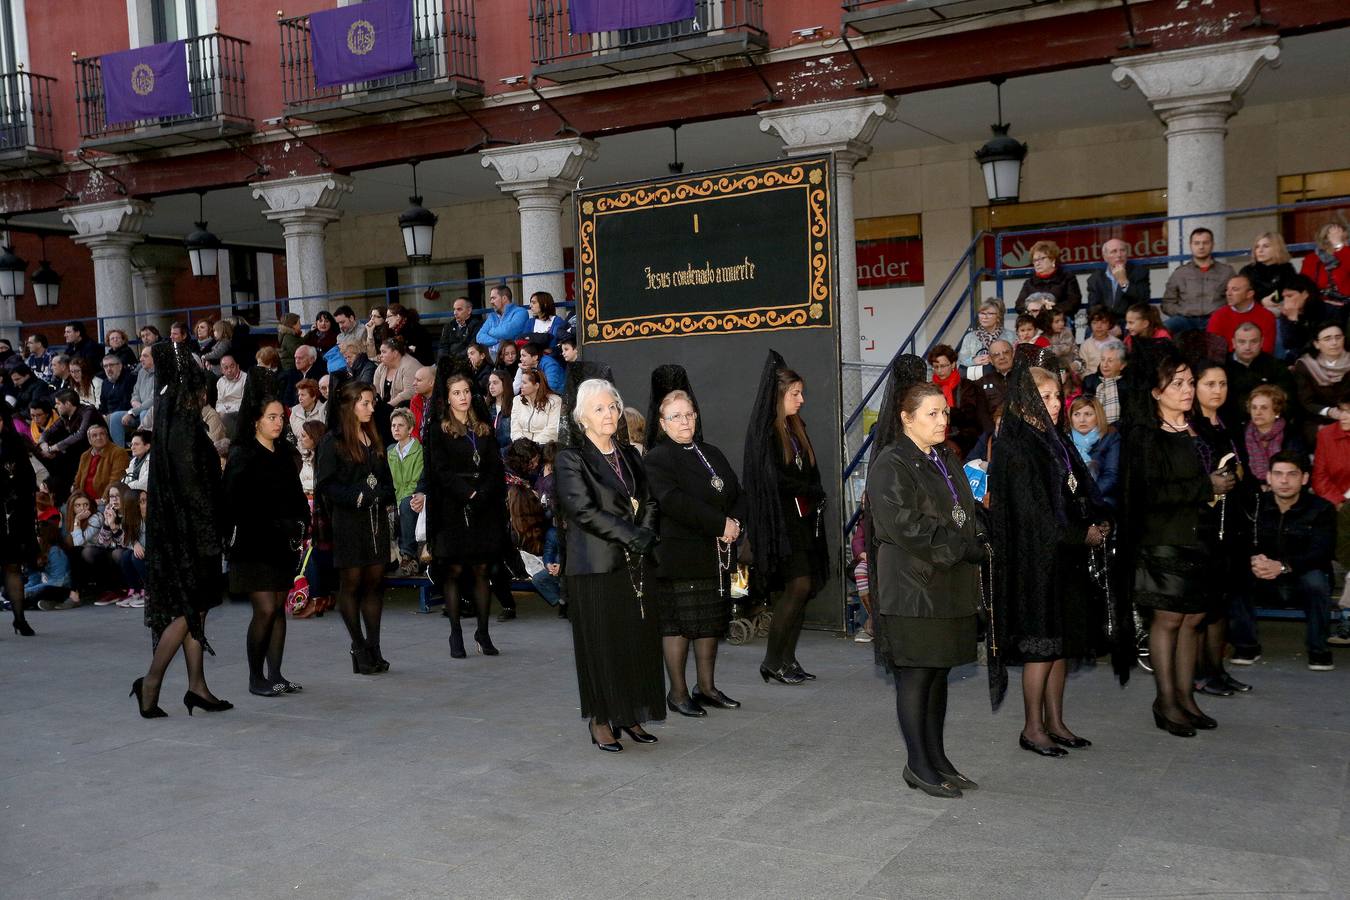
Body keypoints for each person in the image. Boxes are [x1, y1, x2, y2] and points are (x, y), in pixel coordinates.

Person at [866, 363, 984, 797]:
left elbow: (960, 510)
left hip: (947, 585)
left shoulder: (945, 456)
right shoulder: (891, 463)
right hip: (913, 588)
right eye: (932, 414)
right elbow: (905, 525)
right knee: (917, 677)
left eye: (945, 413)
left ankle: (937, 758)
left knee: (938, 675)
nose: (942, 421)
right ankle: (918, 764)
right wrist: (961, 546)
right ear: (906, 417)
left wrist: (979, 532)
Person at [989, 360, 1116, 756]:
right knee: (1041, 648)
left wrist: (1097, 518)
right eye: (1046, 396)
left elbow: (1078, 491)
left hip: (1064, 556)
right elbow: (1032, 513)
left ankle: (1056, 722)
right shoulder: (1017, 444)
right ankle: (1032, 728)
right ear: (1026, 400)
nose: (1056, 403)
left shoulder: (1053, 439)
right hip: (1035, 560)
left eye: (1058, 395)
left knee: (1060, 645)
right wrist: (1082, 534)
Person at [1119, 345, 1233, 738]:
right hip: (1162, 539)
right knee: (1168, 619)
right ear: (1156, 391)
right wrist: (1206, 485)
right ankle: (1166, 700)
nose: (1188, 390)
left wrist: (1222, 481)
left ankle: (1185, 698)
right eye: (1177, 383)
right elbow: (1148, 493)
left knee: (1193, 619)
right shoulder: (1143, 434)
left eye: (1189, 382)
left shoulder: (1196, 428)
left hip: (1198, 535)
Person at [556, 377, 663, 752]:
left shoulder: (631, 455)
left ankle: (629, 712)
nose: (609, 414)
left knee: (635, 638)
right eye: (599, 408)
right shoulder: (571, 458)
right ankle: (601, 719)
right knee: (602, 643)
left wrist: (645, 534)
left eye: (613, 407)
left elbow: (649, 500)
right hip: (596, 566)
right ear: (582, 416)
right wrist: (633, 536)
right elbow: (583, 511)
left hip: (635, 564)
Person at [133, 340, 233, 719]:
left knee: (198, 610)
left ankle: (197, 687)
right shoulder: (183, 429)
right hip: (194, 534)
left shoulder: (172, 422)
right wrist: (214, 529)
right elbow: (195, 490)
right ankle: (151, 681)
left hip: (184, 533)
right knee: (188, 610)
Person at [645, 369, 745, 718]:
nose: (683, 421)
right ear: (662, 422)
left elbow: (735, 491)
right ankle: (678, 692)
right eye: (675, 416)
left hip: (713, 555)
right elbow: (674, 502)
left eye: (688, 414)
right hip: (679, 554)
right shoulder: (658, 457)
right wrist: (720, 523)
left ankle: (707, 688)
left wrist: (734, 522)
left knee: (708, 624)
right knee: (679, 627)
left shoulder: (711, 451)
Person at [743, 351, 830, 685]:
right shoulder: (766, 433)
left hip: (804, 521)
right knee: (798, 586)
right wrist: (807, 486)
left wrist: (812, 488)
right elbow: (770, 479)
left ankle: (787, 659)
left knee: (802, 591)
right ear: (778, 396)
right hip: (782, 524)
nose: (801, 399)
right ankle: (771, 661)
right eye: (795, 393)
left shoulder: (795, 427)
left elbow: (807, 471)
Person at [223, 369, 309, 697]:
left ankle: (276, 674)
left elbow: (298, 498)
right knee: (266, 609)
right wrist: (272, 522)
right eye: (271, 417)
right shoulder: (243, 455)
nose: (278, 422)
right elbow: (234, 503)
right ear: (256, 420)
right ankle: (255, 677)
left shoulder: (286, 455)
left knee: (278, 607)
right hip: (252, 545)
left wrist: (301, 524)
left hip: (281, 544)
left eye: (281, 416)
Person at [419, 366, 507, 658]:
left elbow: (495, 466)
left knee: (483, 570)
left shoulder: (482, 426)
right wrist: (466, 493)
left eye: (466, 392)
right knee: (454, 571)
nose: (463, 397)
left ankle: (483, 632)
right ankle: (456, 633)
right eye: (457, 393)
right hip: (452, 507)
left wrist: (482, 493)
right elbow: (440, 471)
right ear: (447, 397)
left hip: (484, 505)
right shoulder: (437, 429)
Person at [314, 379, 396, 675]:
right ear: (349, 406)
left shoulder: (373, 437)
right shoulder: (332, 441)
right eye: (365, 403)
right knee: (352, 584)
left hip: (375, 522)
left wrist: (383, 494)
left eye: (372, 402)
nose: (371, 408)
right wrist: (356, 497)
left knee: (375, 583)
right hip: (349, 521)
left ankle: (374, 647)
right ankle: (359, 645)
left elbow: (386, 478)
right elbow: (326, 484)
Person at [1188, 360, 1252, 698]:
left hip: (1233, 523)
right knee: (1205, 605)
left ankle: (1217, 670)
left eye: (1223, 384)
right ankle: (1201, 673)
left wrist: (1238, 475)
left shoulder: (1229, 423)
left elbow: (1244, 469)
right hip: (1205, 525)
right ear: (1195, 387)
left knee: (1222, 603)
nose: (1218, 390)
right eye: (1210, 384)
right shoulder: (1192, 426)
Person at [1240, 452, 1336, 672]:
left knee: (1316, 581)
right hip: (1263, 576)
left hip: (1302, 575)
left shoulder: (1321, 509)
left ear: (1304, 478)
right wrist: (1254, 559)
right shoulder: (1254, 505)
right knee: (1238, 576)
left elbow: (1321, 552)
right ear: (1269, 477)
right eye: (1278, 474)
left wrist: (1282, 566)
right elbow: (1240, 540)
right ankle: (1246, 646)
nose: (1284, 481)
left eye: (1292, 475)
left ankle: (1318, 651)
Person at [1311, 397, 1350, 642]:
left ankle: (1347, 615)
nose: (1343, 416)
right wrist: (1340, 502)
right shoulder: (1327, 435)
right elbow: (1320, 477)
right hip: (1337, 507)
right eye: (1342, 411)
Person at [1, 400, 38, 636]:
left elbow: (29, 479)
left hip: (12, 514)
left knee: (13, 565)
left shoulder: (15, 444)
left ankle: (19, 618)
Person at [1162, 227, 1235, 334]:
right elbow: (1167, 303)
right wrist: (1182, 312)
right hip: (1186, 319)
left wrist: (1223, 313)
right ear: (1191, 245)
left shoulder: (1226, 272)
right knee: (1163, 329)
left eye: (1205, 243)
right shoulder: (1180, 273)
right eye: (1197, 243)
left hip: (1215, 318)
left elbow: (1236, 298)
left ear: (1212, 244)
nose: (1201, 247)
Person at [1222, 322, 1296, 425]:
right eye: (1242, 342)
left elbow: (1287, 401)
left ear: (1262, 342)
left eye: (1254, 341)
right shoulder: (1221, 367)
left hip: (1270, 426)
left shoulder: (1276, 366)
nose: (1248, 347)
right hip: (1232, 426)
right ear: (1233, 342)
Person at [38, 390, 104, 503]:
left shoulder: (88, 412)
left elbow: (80, 435)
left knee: (63, 458)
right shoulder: (65, 416)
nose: (55, 406)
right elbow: (47, 432)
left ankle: (59, 495)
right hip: (78, 454)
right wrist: (44, 444)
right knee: (53, 453)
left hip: (97, 453)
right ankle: (52, 489)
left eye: (58, 403)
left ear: (68, 404)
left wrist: (53, 448)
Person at [1293, 321, 1350, 445]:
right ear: (1317, 344)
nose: (1334, 343)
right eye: (1327, 339)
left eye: (1338, 337)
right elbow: (1306, 402)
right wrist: (1330, 412)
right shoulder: (1305, 365)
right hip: (1318, 418)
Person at [387, 409, 424, 576]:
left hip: (414, 496)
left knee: (406, 505)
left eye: (400, 425)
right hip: (395, 497)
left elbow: (415, 482)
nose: (396, 429)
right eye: (393, 425)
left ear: (410, 429)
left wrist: (400, 501)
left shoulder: (420, 451)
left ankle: (408, 555)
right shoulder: (390, 452)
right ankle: (388, 558)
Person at [1068, 396, 1121, 506]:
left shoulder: (1110, 437)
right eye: (1077, 414)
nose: (1082, 419)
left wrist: (1088, 497)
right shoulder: (1064, 439)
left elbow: (1111, 475)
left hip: (1101, 498)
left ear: (1098, 416)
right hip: (1071, 499)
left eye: (1088, 414)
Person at [928, 344, 980, 457]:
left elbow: (968, 416)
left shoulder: (966, 386)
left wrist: (945, 411)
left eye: (943, 366)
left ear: (953, 364)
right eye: (935, 367)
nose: (939, 370)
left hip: (961, 435)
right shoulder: (929, 388)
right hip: (933, 434)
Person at [1244, 385, 1302, 482]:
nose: (1257, 412)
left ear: (1277, 411)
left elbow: (1296, 469)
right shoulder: (1242, 434)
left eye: (1264, 408)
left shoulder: (1291, 434)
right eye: (1254, 408)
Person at [1207, 274, 1278, 354]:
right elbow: (1214, 350)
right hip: (1227, 363)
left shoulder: (1266, 316)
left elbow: (1266, 350)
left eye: (1235, 289)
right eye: (1227, 289)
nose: (1228, 293)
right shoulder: (1218, 316)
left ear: (1249, 294)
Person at [1015, 241, 1082, 319]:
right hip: (1036, 324)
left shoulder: (1067, 278)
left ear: (1052, 260)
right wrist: (1032, 307)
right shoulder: (1029, 283)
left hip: (1060, 322)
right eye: (1035, 260)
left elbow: (1073, 303)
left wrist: (1051, 308)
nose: (1037, 263)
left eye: (1042, 258)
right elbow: (1019, 305)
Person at [1087, 237, 1151, 318]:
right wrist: (1109, 324)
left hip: (1129, 321)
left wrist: (1124, 282)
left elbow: (1143, 301)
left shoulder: (1140, 272)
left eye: (1122, 250)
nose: (1119, 255)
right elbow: (1093, 308)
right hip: (1105, 323)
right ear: (1105, 257)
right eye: (1114, 251)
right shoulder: (1095, 279)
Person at [1273, 274, 1328, 362]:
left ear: (1305, 294)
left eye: (1290, 296)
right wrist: (1292, 320)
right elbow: (1289, 345)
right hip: (1298, 361)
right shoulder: (1288, 313)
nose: (1286, 301)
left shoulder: (1324, 310)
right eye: (1284, 297)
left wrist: (1296, 322)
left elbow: (1314, 344)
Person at [1240, 232, 1298, 311]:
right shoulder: (1247, 271)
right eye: (1257, 247)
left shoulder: (1287, 269)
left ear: (1277, 248)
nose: (1260, 250)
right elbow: (1240, 297)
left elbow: (1292, 293)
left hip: (1282, 311)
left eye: (1266, 246)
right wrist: (1261, 301)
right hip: (1254, 312)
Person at [73, 422, 129, 503]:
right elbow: (77, 481)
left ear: (107, 436)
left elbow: (115, 481)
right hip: (85, 501)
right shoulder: (85, 456)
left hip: (104, 501)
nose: (98, 437)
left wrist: (103, 500)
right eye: (94, 435)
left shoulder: (118, 453)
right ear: (89, 440)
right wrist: (75, 498)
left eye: (102, 434)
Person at [27, 518, 73, 612]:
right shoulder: (34, 551)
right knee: (7, 590)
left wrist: (27, 591)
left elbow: (57, 582)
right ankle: (39, 603)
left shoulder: (55, 551)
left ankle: (29, 602)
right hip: (44, 585)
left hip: (60, 587)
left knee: (40, 592)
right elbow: (34, 579)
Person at [1301, 222, 1350, 301]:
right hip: (1320, 305)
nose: (1345, 243)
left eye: (1344, 239)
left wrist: (1339, 246)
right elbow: (1304, 286)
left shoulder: (1346, 254)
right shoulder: (1312, 259)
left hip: (1345, 306)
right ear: (1326, 240)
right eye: (1342, 239)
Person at [974, 339, 1015, 434]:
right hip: (995, 432)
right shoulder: (981, 383)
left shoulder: (1026, 377)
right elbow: (982, 415)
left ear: (1013, 355)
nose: (1002, 357)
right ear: (991, 360)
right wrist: (993, 434)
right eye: (996, 355)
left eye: (1006, 353)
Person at [478, 284, 531, 357]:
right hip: (495, 358)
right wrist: (498, 341)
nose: (491, 302)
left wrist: (489, 332)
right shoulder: (492, 316)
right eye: (491, 299)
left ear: (504, 298)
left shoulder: (521, 312)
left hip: (514, 358)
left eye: (493, 298)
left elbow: (507, 332)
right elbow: (479, 337)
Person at [512, 370, 561, 445]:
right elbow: (515, 427)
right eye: (521, 382)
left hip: (544, 445)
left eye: (524, 383)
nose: (521, 386)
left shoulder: (554, 401)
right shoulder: (517, 400)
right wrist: (521, 444)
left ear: (536, 386)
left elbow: (553, 430)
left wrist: (533, 445)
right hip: (522, 446)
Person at [1082, 339, 1126, 425]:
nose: (1104, 365)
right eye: (1102, 359)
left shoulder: (1127, 386)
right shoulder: (1089, 381)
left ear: (1122, 365)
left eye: (1110, 361)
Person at [98, 354, 136, 443]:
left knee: (112, 418)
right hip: (109, 415)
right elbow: (103, 404)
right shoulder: (105, 383)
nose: (108, 369)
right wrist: (101, 414)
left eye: (111, 365)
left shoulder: (130, 379)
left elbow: (127, 403)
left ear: (120, 366)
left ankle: (118, 453)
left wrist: (109, 415)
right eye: (105, 366)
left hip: (128, 415)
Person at [372, 337, 420, 408]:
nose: (381, 355)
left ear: (395, 353)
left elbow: (409, 393)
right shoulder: (381, 367)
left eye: (384, 352)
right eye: (381, 352)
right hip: (385, 408)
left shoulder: (410, 365)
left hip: (405, 410)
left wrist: (386, 407)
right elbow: (376, 390)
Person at [437, 296, 481, 361]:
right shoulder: (449, 326)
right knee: (424, 371)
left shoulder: (477, 325)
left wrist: (454, 360)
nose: (455, 313)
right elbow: (442, 347)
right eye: (454, 309)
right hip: (447, 364)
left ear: (469, 310)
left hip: (465, 363)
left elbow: (472, 347)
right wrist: (444, 361)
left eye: (459, 309)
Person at [215, 355, 245, 430]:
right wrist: (220, 411)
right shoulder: (220, 382)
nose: (229, 370)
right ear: (222, 370)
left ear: (237, 366)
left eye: (232, 366)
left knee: (224, 418)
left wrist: (227, 410)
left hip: (240, 413)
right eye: (226, 368)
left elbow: (245, 403)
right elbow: (219, 403)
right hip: (224, 413)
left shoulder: (245, 379)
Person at [487, 369, 513, 450]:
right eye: (489, 383)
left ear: (505, 384)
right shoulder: (488, 406)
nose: (491, 387)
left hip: (508, 454)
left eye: (495, 383)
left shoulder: (515, 406)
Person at [409, 365, 434, 437]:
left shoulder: (441, 403)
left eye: (418, 380)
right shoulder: (415, 400)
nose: (414, 383)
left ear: (431, 383)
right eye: (415, 379)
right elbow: (413, 428)